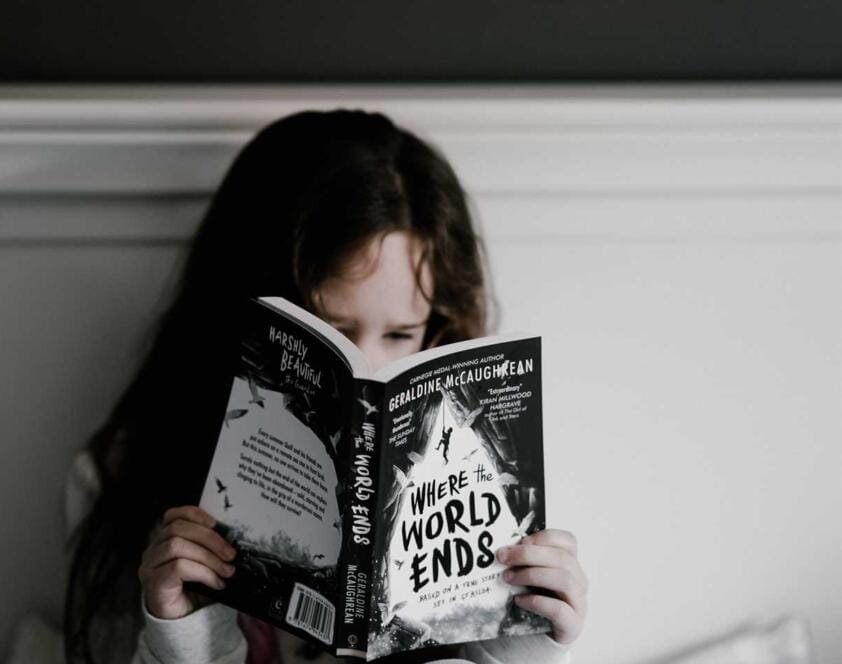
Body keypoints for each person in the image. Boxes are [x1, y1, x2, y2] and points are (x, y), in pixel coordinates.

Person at [63, 109, 588, 664]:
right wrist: (184, 635)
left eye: (401, 333)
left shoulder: (499, 486)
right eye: (331, 333)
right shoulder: (118, 480)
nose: (365, 366)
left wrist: (522, 646)